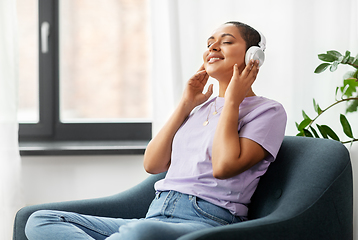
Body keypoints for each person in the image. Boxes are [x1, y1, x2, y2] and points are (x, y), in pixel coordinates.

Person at [25, 21, 287, 240]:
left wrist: (232, 100)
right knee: (42, 220)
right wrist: (185, 104)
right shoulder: (198, 110)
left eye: (226, 41)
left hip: (207, 223)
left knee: (139, 233)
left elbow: (223, 166)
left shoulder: (268, 112)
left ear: (254, 55)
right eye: (209, 43)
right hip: (156, 213)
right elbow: (153, 164)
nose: (213, 48)